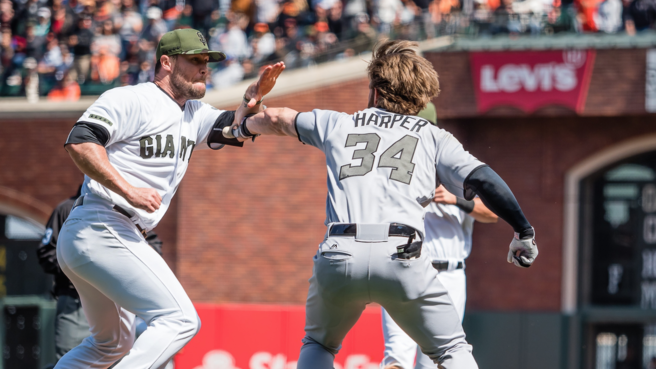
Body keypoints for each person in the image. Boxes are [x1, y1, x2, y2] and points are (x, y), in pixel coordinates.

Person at [226, 39, 538, 369]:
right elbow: (485, 179)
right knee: (451, 350)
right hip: (402, 255)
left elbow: (275, 117)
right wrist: (523, 231)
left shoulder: (338, 123)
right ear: (421, 97)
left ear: (376, 90)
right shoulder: (432, 136)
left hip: (339, 251)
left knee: (318, 344)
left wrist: (240, 126)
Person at [56, 28, 284, 368]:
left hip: (107, 232)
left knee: (111, 345)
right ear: (166, 62)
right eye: (194, 60)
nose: (203, 68)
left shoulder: (194, 113)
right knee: (180, 319)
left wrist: (252, 99)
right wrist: (128, 189)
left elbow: (238, 127)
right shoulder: (131, 99)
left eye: (206, 61)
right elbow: (81, 140)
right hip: (103, 222)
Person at [379, 104, 499, 369]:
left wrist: (456, 200)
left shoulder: (455, 170)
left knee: (436, 362)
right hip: (403, 268)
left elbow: (492, 214)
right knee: (397, 356)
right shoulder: (395, 168)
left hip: (449, 275)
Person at [36, 186, 165, 367]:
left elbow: (155, 248)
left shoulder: (122, 210)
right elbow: (46, 253)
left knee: (114, 358)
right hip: (75, 302)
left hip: (117, 299)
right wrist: (85, 268)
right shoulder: (67, 208)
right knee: (74, 358)